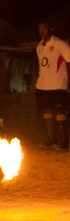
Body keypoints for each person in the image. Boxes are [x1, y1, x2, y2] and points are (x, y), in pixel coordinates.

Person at [36, 20, 70, 149]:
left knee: (59, 111)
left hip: (57, 84)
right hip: (42, 85)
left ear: (51, 29)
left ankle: (64, 142)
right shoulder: (39, 47)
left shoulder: (60, 44)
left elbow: (69, 62)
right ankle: (51, 140)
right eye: (39, 29)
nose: (41, 32)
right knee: (46, 111)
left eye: (44, 28)